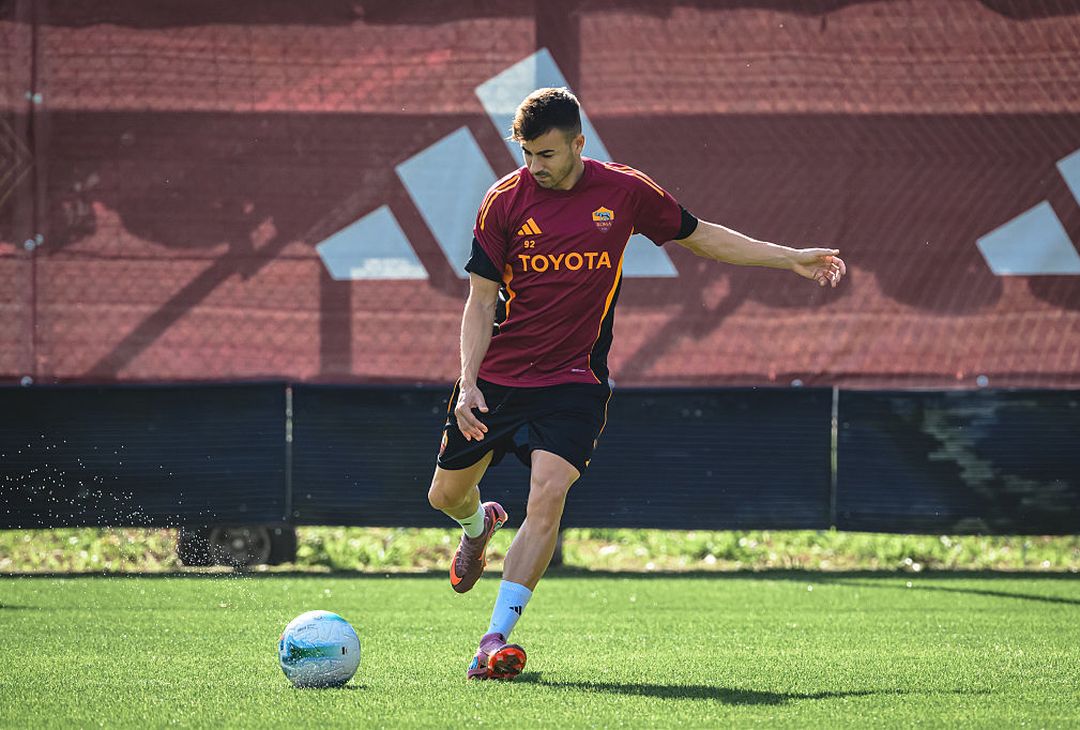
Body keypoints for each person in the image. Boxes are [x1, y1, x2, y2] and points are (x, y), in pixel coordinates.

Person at [426, 87, 846, 680]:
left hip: (575, 379)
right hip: (496, 379)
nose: (534, 167)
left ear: (578, 144)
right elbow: (479, 301)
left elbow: (702, 235)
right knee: (444, 497)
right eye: (526, 154)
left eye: (546, 154)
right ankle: (479, 524)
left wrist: (788, 257)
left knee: (547, 495)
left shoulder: (625, 191)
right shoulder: (504, 202)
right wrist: (467, 384)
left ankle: (493, 640)